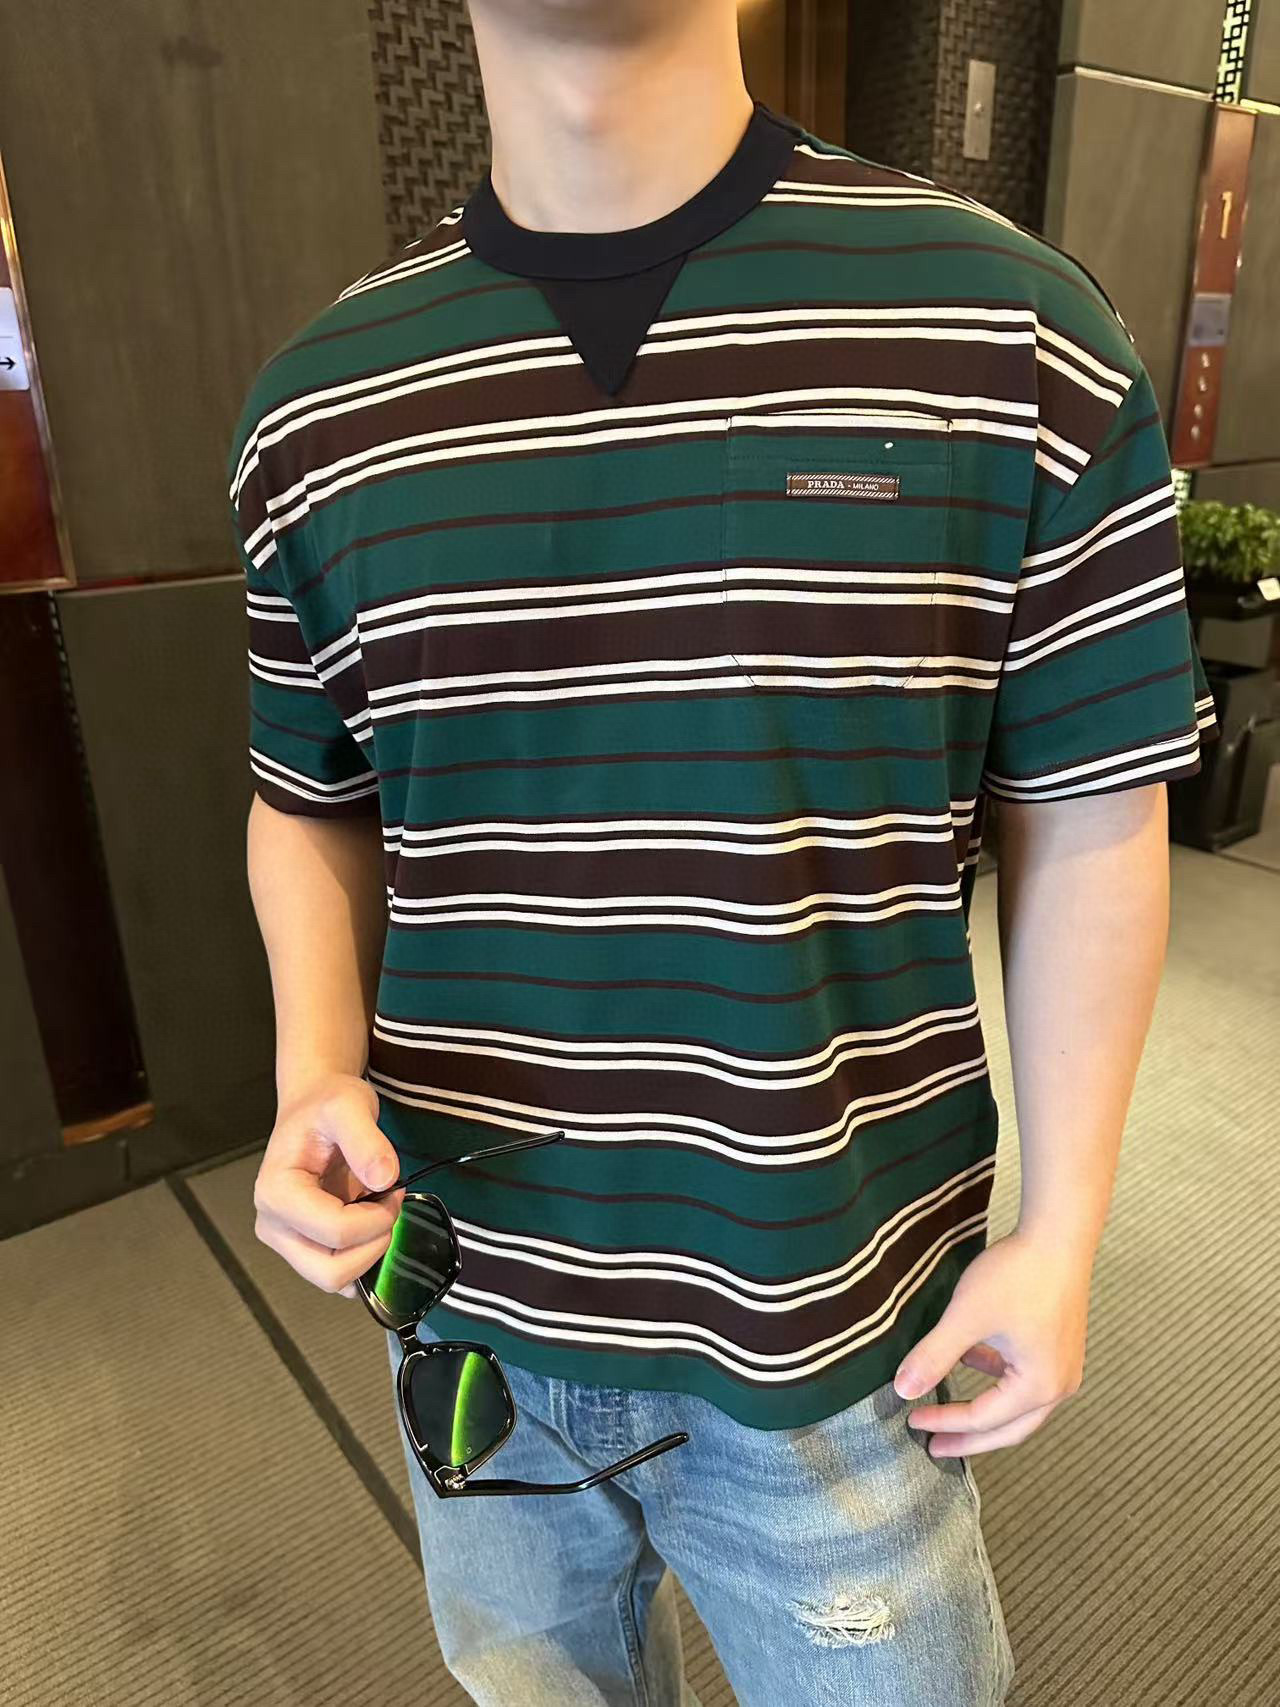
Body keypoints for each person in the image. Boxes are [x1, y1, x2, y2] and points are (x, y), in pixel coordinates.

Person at [231, 2, 1219, 1702]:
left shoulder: (1011, 334)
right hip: (468, 1294)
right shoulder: (319, 410)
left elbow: (1093, 800)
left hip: (831, 1311)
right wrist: (312, 1065)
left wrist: (1064, 1227)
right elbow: (306, 793)